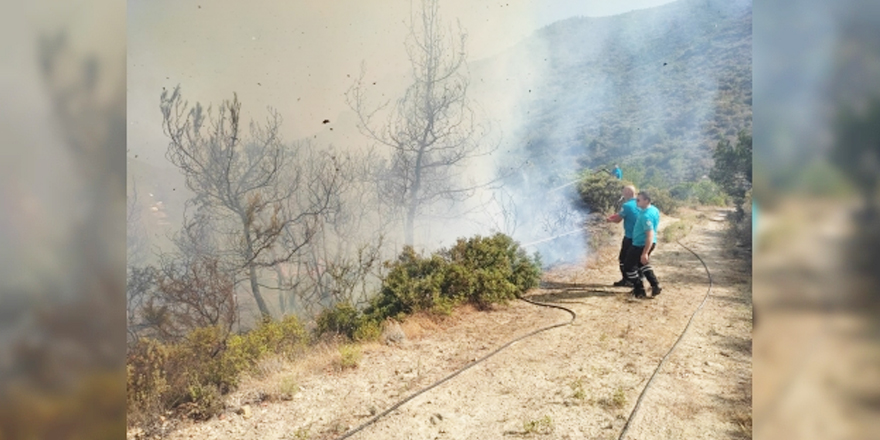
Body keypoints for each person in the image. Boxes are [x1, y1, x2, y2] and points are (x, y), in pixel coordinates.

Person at [623, 190, 662, 300]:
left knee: (629, 267)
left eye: (639, 200)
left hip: (641, 244)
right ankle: (655, 285)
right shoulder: (653, 209)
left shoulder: (646, 216)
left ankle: (639, 290)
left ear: (646, 201)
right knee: (642, 265)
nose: (636, 201)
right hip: (648, 243)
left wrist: (644, 252)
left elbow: (649, 234)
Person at [606, 185, 639, 286]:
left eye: (624, 192)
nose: (622, 194)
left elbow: (617, 220)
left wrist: (609, 220)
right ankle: (637, 279)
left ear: (628, 193)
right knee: (637, 260)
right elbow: (622, 215)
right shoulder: (641, 203)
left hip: (630, 237)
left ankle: (627, 280)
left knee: (623, 259)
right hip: (642, 237)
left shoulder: (627, 205)